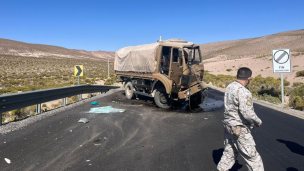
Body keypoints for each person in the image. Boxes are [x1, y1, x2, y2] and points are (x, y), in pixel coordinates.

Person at [217, 67, 264, 171]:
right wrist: (258, 121)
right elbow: (247, 113)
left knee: (229, 153)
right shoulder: (243, 91)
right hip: (239, 128)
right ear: (249, 78)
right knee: (253, 158)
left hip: (229, 126)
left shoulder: (230, 87)